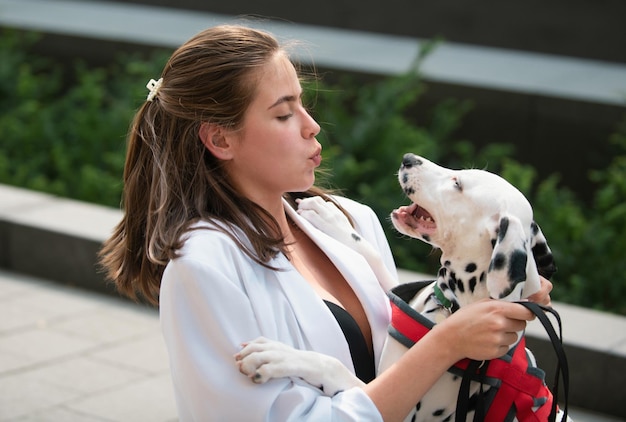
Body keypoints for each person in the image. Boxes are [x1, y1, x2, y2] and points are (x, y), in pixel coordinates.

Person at [99, 24, 552, 421]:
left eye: (303, 105)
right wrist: (447, 344)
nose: (311, 126)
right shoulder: (202, 268)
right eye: (283, 113)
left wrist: (493, 306)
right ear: (219, 138)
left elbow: (394, 375)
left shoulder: (346, 220)